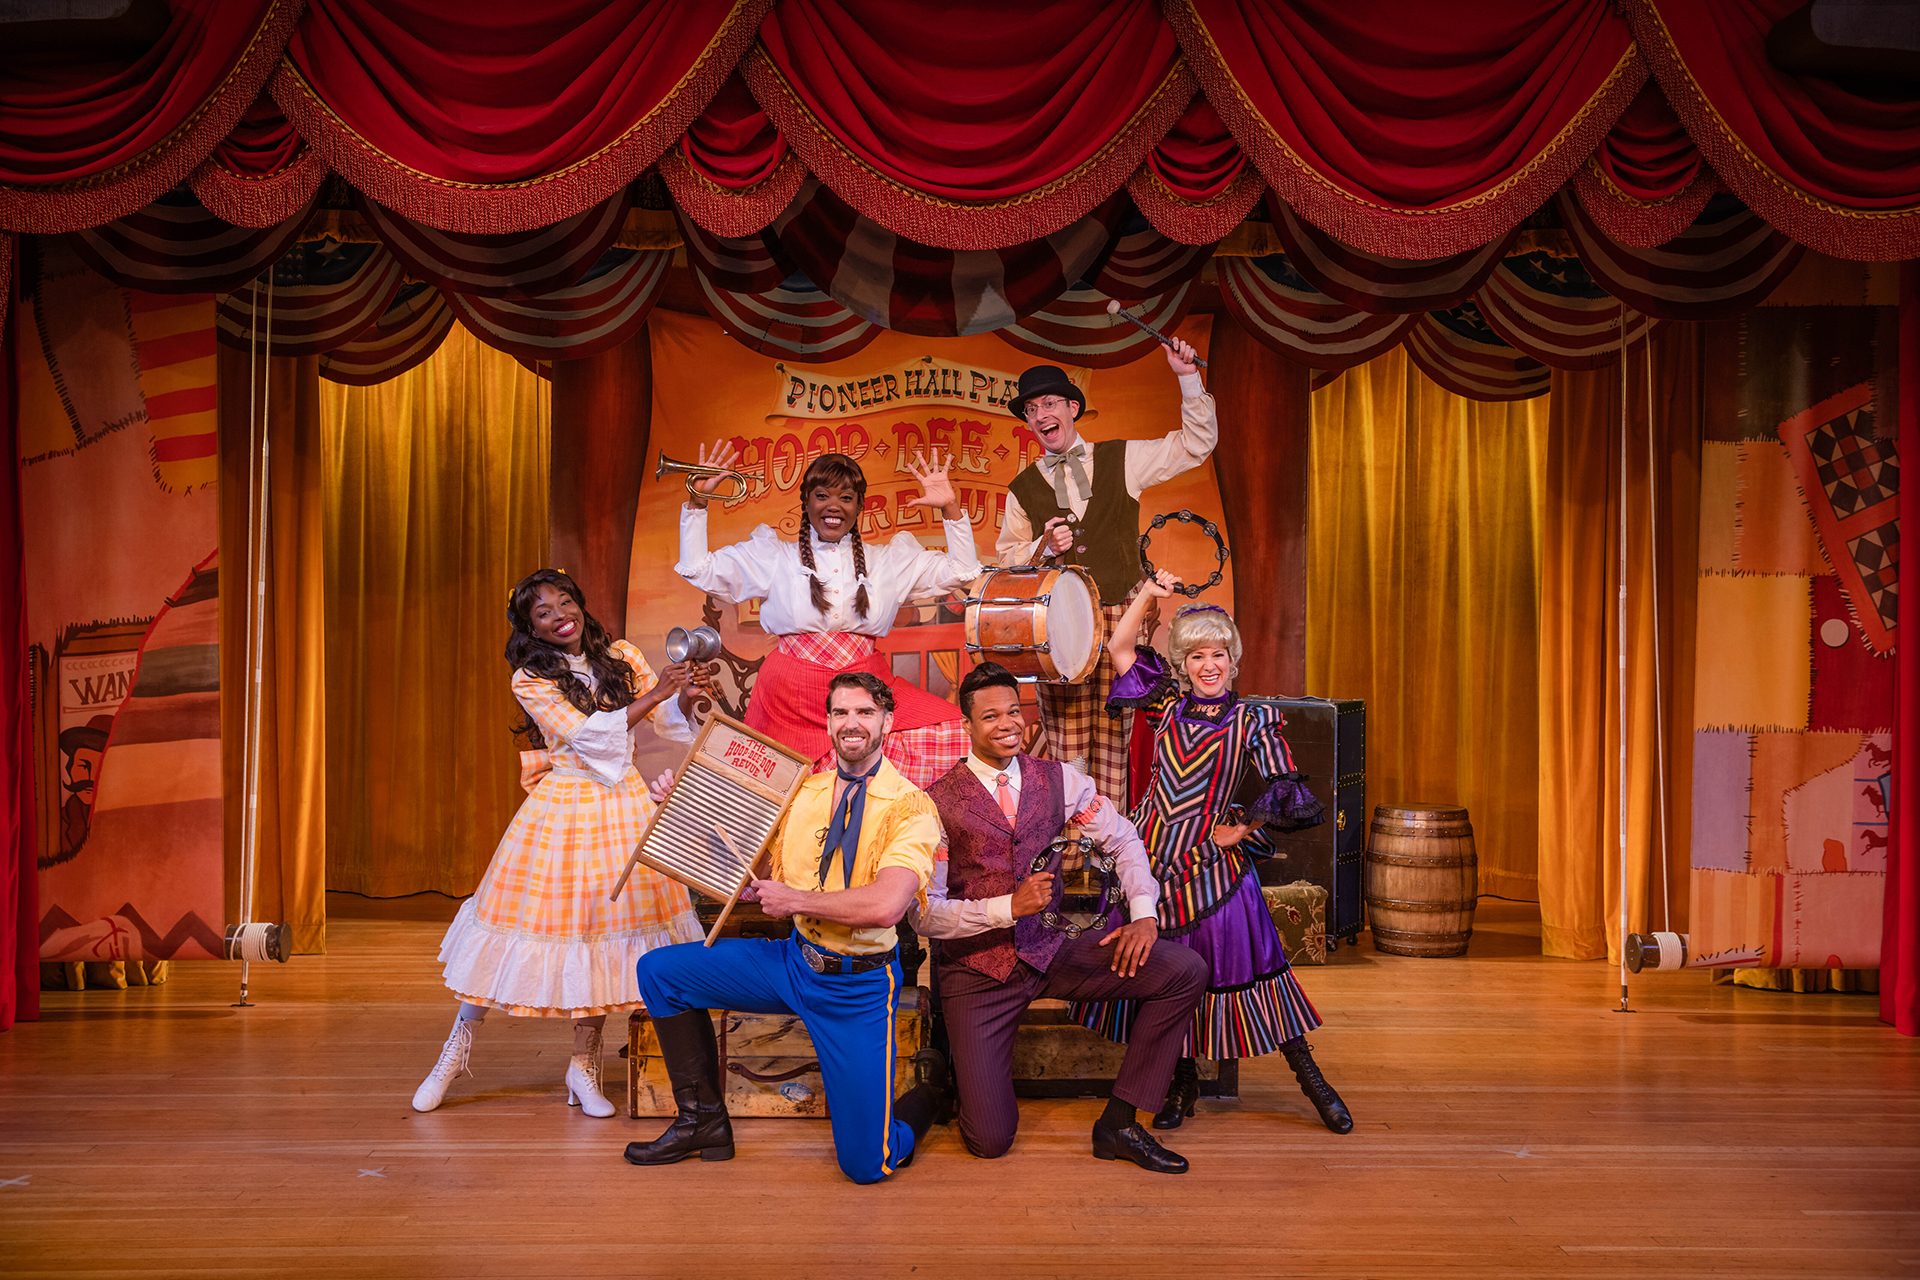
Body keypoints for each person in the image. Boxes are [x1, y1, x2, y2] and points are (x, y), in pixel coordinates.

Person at [625, 672, 952, 1184]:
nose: (852, 723)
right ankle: (702, 1122)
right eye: (841, 712)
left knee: (867, 1165)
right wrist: (679, 809)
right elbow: (735, 863)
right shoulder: (801, 793)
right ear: (827, 722)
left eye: (865, 712)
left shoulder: (912, 806)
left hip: (857, 986)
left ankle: (931, 1092)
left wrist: (795, 898)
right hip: (793, 962)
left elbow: (888, 905)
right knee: (661, 972)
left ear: (887, 721)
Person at [411, 570, 703, 1118]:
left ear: (580, 604)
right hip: (564, 807)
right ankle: (454, 1054)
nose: (559, 614)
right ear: (531, 628)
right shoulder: (530, 678)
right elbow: (591, 735)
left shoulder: (621, 655)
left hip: (624, 805)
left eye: (564, 602)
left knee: (601, 935)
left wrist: (680, 696)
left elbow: (666, 725)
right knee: (513, 923)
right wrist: (658, 692)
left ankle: (583, 1064)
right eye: (542, 612)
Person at [1073, 572, 1353, 1135]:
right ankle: (1181, 1083)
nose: (1208, 665)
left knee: (1254, 973)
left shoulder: (1253, 720)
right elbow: (1119, 648)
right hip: (1148, 865)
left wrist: (1244, 827)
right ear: (1181, 663)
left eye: (1218, 654)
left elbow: (1290, 791)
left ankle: (1312, 1081)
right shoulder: (1165, 707)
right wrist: (1149, 591)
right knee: (1168, 979)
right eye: (1197, 655)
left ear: (1233, 660)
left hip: (1212, 872)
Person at [911, 661, 1208, 1173]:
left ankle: (1120, 1122)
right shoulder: (933, 803)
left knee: (1183, 970)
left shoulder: (1060, 780)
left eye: (1013, 712)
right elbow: (925, 914)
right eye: (990, 717)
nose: (1007, 725)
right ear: (967, 726)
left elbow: (1122, 837)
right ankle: (946, 1079)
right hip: (976, 971)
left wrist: (1142, 913)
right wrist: (1008, 907)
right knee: (990, 1141)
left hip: (1051, 949)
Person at [675, 446, 978, 787]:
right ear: (806, 502)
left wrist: (950, 507)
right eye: (822, 495)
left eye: (846, 497)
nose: (834, 506)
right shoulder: (776, 557)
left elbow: (963, 572)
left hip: (865, 693)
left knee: (957, 733)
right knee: (787, 799)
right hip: (788, 701)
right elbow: (698, 570)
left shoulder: (886, 561)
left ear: (860, 506)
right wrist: (697, 502)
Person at [996, 341, 1215, 803]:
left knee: (1116, 739)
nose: (1040, 415)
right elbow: (1006, 561)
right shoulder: (1023, 489)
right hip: (1059, 625)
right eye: (1031, 409)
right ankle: (1071, 852)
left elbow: (1196, 445)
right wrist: (1041, 547)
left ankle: (1110, 855)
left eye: (1049, 403)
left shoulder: (1122, 459)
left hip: (1122, 613)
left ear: (1072, 408)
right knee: (1068, 742)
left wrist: (1187, 377)